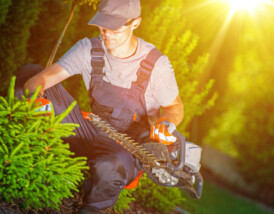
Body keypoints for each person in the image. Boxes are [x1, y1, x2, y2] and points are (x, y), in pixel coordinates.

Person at [18, 0, 184, 213]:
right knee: (30, 72)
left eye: (115, 27)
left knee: (110, 167)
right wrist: (37, 99)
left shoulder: (156, 65)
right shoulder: (89, 48)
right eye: (103, 25)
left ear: (136, 23)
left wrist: (166, 123)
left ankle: (92, 209)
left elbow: (174, 106)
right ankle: (24, 160)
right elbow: (38, 80)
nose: (107, 33)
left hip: (125, 147)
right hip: (90, 128)